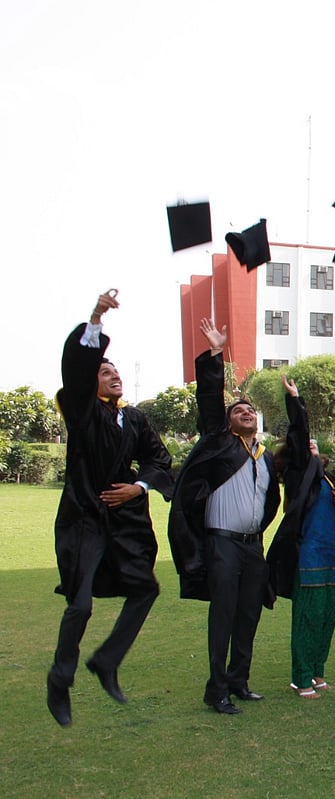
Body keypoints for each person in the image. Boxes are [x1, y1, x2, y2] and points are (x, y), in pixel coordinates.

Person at [47, 290, 174, 726]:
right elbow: (78, 370)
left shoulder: (134, 418)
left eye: (115, 369)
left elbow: (159, 459)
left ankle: (106, 662)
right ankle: (60, 679)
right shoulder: (84, 411)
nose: (113, 374)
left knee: (146, 588)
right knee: (80, 605)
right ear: (91, 382)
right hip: (85, 517)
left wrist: (138, 487)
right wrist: (96, 318)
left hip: (124, 522)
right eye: (104, 370)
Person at [168, 317, 280, 715]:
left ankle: (239, 680)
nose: (246, 412)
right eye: (239, 409)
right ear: (229, 420)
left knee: (248, 614)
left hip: (252, 547)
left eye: (250, 409)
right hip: (221, 544)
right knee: (224, 614)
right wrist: (216, 354)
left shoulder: (263, 459)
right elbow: (210, 403)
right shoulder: (220, 444)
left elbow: (270, 504)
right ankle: (216, 689)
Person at [266, 374, 335, 699]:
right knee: (308, 618)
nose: (311, 445)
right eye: (305, 445)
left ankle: (317, 671)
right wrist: (295, 400)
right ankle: (300, 677)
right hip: (309, 555)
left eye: (314, 445)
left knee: (328, 616)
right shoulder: (300, 475)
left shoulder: (328, 481)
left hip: (334, 556)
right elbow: (299, 434)